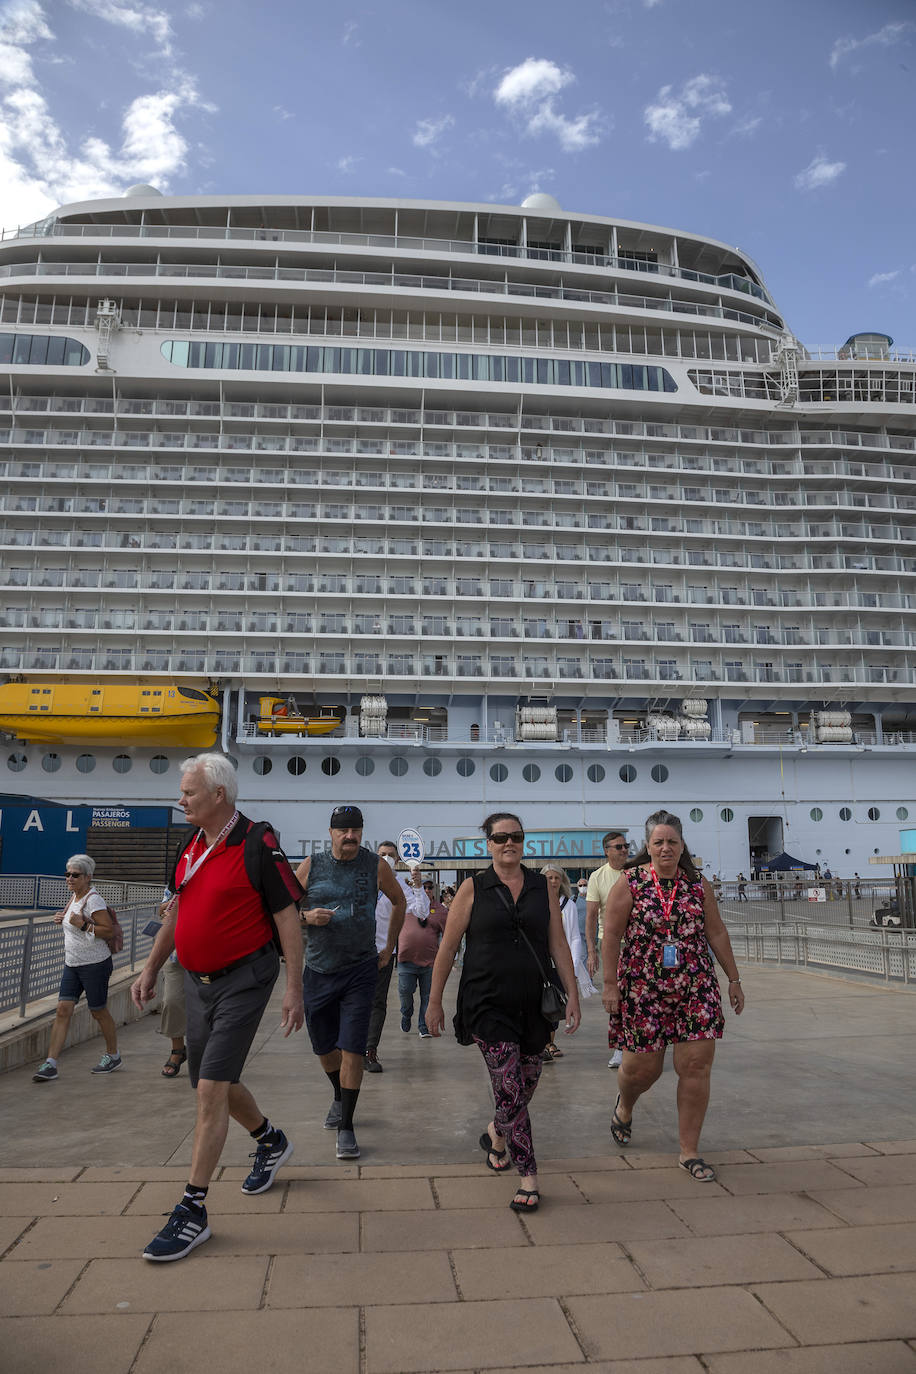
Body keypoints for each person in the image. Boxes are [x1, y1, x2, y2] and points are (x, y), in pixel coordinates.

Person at [131, 753, 304, 1262]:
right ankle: (270, 1140)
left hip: (245, 980)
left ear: (218, 796)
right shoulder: (190, 846)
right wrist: (147, 968)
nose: (180, 799)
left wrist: (294, 988)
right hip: (196, 982)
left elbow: (288, 917)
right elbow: (177, 914)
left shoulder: (256, 841)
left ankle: (193, 1209)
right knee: (214, 1081)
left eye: (188, 792)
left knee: (209, 1089)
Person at [426, 812, 581, 1214]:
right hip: (486, 1002)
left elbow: (558, 945)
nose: (508, 843)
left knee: (527, 1082)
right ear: (488, 844)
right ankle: (528, 1175)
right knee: (510, 1086)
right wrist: (434, 1000)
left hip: (534, 1002)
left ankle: (497, 1131)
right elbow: (448, 947)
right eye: (500, 838)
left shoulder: (540, 887)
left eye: (515, 836)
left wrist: (574, 995)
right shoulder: (472, 888)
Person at [602, 809, 745, 1183]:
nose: (666, 847)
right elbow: (612, 935)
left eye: (673, 841)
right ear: (647, 846)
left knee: (696, 1066)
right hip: (643, 988)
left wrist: (733, 978)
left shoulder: (698, 885)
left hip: (696, 986)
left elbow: (716, 933)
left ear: (682, 846)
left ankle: (689, 1151)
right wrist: (610, 984)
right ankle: (626, 1104)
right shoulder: (630, 883)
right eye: (659, 841)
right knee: (641, 1070)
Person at [295, 806, 405, 1160]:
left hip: (361, 969)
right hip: (318, 970)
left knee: (354, 1048)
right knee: (325, 1048)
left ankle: (346, 1126)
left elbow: (399, 901)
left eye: (355, 829)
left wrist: (389, 945)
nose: (350, 836)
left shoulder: (376, 865)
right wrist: (307, 917)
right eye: (343, 830)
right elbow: (284, 911)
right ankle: (338, 1096)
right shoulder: (311, 866)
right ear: (331, 832)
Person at [32, 855, 120, 1082]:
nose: (69, 878)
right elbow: (72, 920)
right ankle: (50, 1063)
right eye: (67, 874)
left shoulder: (94, 900)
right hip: (72, 964)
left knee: (98, 1011)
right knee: (63, 1009)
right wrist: (60, 918)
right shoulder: (74, 897)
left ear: (88, 877)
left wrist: (83, 925)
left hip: (95, 965)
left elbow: (107, 931)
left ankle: (113, 1055)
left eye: (75, 875)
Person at [365, 842, 428, 1072]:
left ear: (398, 861)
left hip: (383, 953)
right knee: (352, 1001)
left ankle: (369, 1051)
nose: (386, 858)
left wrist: (419, 887)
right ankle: (349, 1047)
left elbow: (421, 912)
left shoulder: (402, 885)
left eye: (391, 855)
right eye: (382, 854)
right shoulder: (362, 879)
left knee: (377, 1003)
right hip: (355, 952)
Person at [541, 863, 597, 1061]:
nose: (553, 881)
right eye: (549, 878)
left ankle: (549, 1043)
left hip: (558, 963)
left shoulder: (568, 905)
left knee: (553, 1003)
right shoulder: (535, 902)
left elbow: (574, 937)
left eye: (557, 878)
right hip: (538, 962)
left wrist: (572, 965)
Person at [586, 831, 630, 1068]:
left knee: (642, 996)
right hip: (611, 944)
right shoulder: (598, 877)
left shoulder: (638, 873)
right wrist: (591, 950)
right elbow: (591, 916)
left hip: (639, 943)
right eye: (618, 847)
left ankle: (643, 1044)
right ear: (606, 850)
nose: (623, 850)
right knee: (615, 995)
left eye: (626, 846)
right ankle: (620, 1048)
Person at [398, 868, 445, 1038]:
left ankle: (423, 1027)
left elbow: (448, 934)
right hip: (406, 961)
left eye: (429, 887)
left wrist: (450, 959)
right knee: (405, 994)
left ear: (434, 890)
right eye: (423, 887)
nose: (426, 890)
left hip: (430, 963)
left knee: (427, 996)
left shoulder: (440, 910)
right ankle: (406, 1013)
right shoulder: (406, 905)